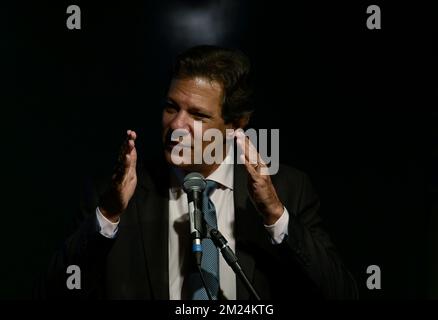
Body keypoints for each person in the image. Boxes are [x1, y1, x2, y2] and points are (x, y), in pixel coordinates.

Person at [41, 45, 358, 300]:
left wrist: (276, 215)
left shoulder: (288, 188)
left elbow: (340, 293)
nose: (177, 126)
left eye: (197, 115)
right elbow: (53, 291)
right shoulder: (116, 194)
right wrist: (108, 215)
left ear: (234, 125)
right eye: (171, 107)